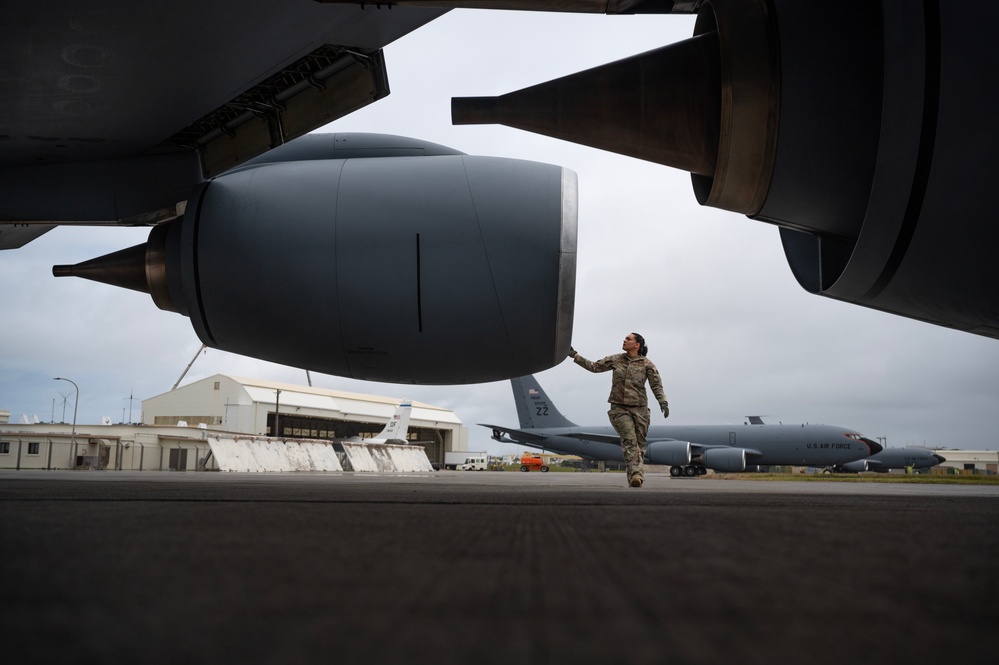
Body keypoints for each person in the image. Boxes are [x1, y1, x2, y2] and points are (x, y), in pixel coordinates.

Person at [569, 333, 669, 487]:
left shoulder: (647, 364)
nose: (624, 340)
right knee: (630, 441)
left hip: (640, 410)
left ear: (637, 345)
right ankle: (637, 475)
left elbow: (656, 385)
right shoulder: (616, 359)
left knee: (639, 446)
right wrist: (575, 355)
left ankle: (633, 477)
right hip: (619, 408)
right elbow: (595, 367)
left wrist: (662, 401)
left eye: (628, 339)